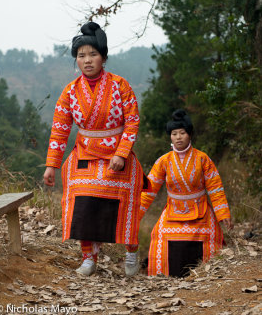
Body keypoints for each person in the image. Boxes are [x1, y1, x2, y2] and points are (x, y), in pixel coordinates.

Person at [44, 22, 148, 277]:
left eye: (93, 54)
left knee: (126, 204)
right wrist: (51, 165)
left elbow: (132, 121)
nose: (87, 60)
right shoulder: (70, 92)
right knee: (83, 201)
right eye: (81, 56)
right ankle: (89, 257)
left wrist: (121, 154)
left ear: (103, 57)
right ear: (76, 60)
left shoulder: (120, 86)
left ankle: (131, 252)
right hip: (85, 155)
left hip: (117, 156)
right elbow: (60, 129)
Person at [139, 109, 233, 277]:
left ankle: (209, 275)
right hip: (173, 212)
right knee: (158, 234)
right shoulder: (163, 161)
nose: (178, 137)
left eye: (182, 133)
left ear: (190, 135)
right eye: (174, 134)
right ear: (170, 137)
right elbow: (149, 189)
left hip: (201, 212)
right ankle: (162, 277)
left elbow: (215, 188)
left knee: (212, 235)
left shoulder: (203, 159)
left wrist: (223, 214)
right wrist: (135, 214)